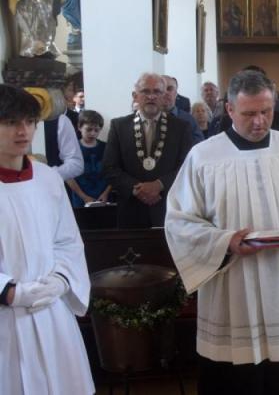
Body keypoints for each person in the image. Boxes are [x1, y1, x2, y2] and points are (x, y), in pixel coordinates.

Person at [165, 71, 279, 395]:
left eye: (266, 111)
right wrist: (224, 241)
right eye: (249, 113)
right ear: (229, 110)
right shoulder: (203, 157)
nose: (259, 121)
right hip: (233, 285)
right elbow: (179, 221)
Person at [0, 84, 94, 395]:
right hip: (5, 315)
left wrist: (61, 281)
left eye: (29, 121)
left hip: (51, 311)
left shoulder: (48, 179)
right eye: (10, 122)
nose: (22, 131)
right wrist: (9, 292)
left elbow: (67, 240)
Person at [103, 73, 193, 228]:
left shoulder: (181, 127)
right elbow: (109, 168)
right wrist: (136, 188)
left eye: (157, 92)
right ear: (135, 96)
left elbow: (187, 167)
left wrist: (160, 184)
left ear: (164, 96)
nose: (151, 96)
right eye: (145, 91)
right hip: (131, 212)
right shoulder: (119, 126)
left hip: (169, 210)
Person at [66, 109, 111, 207]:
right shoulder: (71, 149)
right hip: (80, 199)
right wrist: (84, 197)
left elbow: (113, 172)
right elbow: (69, 177)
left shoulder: (106, 148)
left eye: (96, 130)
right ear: (79, 127)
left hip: (103, 198)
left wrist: (106, 193)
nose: (93, 133)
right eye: (89, 129)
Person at [162, 75, 204, 144]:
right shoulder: (149, 119)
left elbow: (199, 145)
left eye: (169, 89)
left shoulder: (188, 119)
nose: (165, 92)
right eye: (162, 89)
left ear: (175, 93)